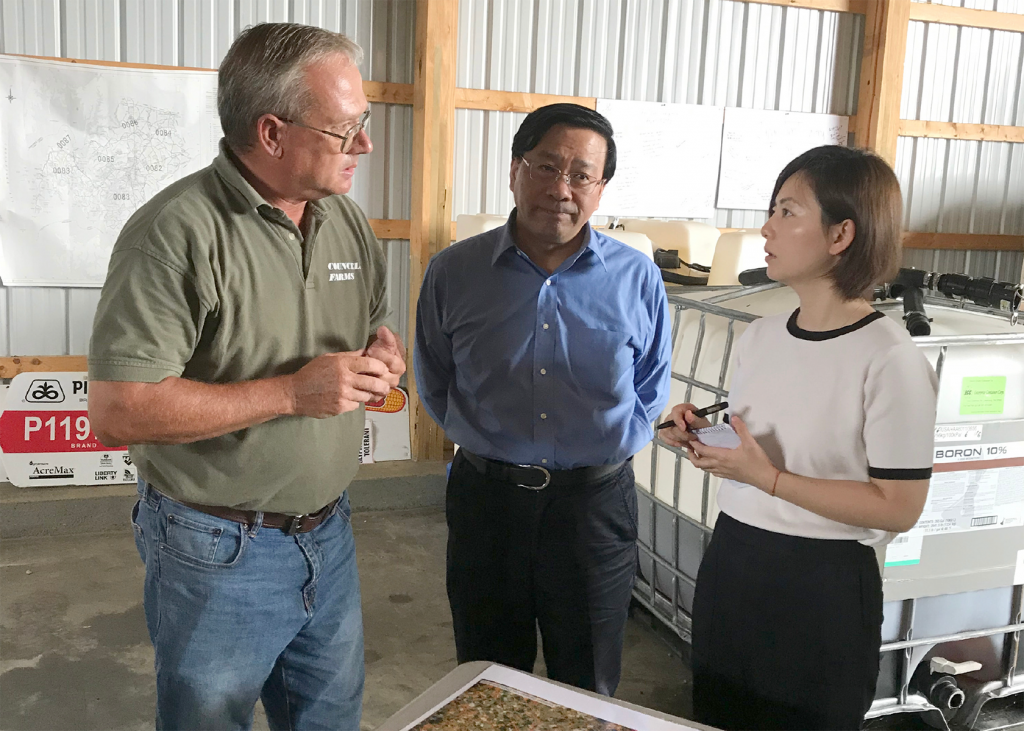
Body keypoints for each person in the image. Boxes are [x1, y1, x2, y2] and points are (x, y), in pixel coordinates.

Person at [87, 23, 405, 731]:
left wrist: (382, 359)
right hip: (216, 548)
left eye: (366, 123)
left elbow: (367, 339)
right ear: (272, 133)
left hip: (329, 533)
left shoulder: (346, 222)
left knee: (329, 720)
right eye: (347, 128)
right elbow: (119, 409)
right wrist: (293, 392)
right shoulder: (175, 233)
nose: (366, 145)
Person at [661, 145, 938, 731]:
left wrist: (770, 479)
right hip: (734, 559)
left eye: (787, 211)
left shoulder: (889, 357)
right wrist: (699, 433)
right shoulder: (761, 336)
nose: (767, 227)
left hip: (824, 587)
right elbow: (759, 439)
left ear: (841, 234)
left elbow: (900, 506)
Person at [414, 103, 672, 696]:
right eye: (546, 166)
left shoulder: (638, 277)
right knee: (486, 682)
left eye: (582, 174)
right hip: (488, 504)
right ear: (514, 170)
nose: (561, 188)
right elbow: (434, 376)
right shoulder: (454, 271)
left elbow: (651, 383)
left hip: (594, 509)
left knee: (586, 685)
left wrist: (611, 443)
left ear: (600, 188)